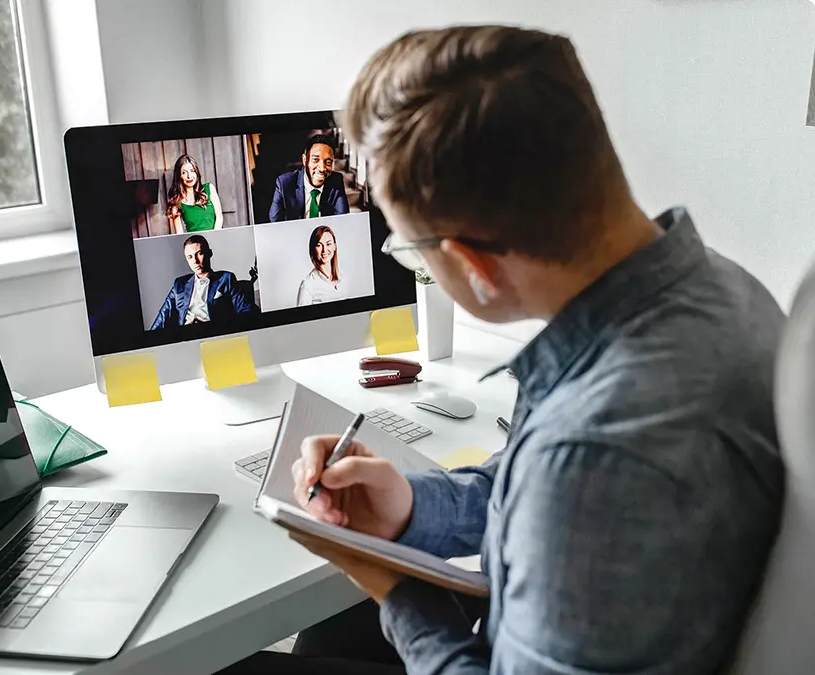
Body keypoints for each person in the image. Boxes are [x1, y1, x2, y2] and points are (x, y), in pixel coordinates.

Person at [221, 25, 786, 675]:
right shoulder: (721, 288)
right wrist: (408, 503)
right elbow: (526, 482)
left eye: (410, 248)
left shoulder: (596, 454)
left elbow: (564, 479)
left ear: (471, 261)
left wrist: (394, 591)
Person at [149, 235, 256, 330]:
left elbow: (246, 312)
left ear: (209, 253)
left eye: (199, 253)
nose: (195, 261)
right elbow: (162, 317)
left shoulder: (226, 278)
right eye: (190, 257)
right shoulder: (180, 284)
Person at [268, 134, 351, 222]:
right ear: (305, 160)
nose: (322, 168)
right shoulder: (284, 183)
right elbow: (275, 221)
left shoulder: (336, 180)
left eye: (328, 162)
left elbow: (343, 219)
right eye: (315, 160)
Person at [165, 153, 224, 233]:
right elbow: (179, 232)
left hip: (215, 238)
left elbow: (219, 217)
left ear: (196, 172)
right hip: (193, 243)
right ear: (179, 176)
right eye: (184, 173)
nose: (189, 176)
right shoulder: (177, 201)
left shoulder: (209, 188)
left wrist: (213, 238)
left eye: (192, 171)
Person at [297, 225, 346, 306]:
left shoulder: (342, 275)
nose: (324, 250)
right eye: (319, 245)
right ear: (313, 249)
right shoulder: (307, 285)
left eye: (328, 244)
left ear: (335, 246)